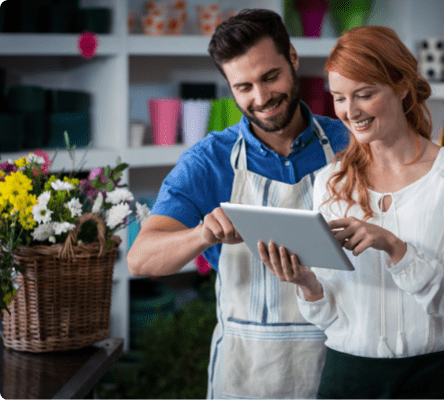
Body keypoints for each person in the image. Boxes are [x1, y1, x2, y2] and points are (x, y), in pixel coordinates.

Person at [127, 8, 349, 399]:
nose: (261, 98)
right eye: (243, 87)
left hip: (341, 361)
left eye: (270, 77)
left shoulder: (348, 145)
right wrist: (200, 234)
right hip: (247, 374)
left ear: (293, 59)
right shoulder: (209, 161)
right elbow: (141, 259)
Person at [258, 25, 444, 399]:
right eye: (339, 98)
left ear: (400, 86)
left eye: (364, 94)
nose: (350, 112)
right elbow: (331, 316)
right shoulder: (330, 182)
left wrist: (396, 248)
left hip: (439, 377)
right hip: (348, 377)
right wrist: (307, 284)